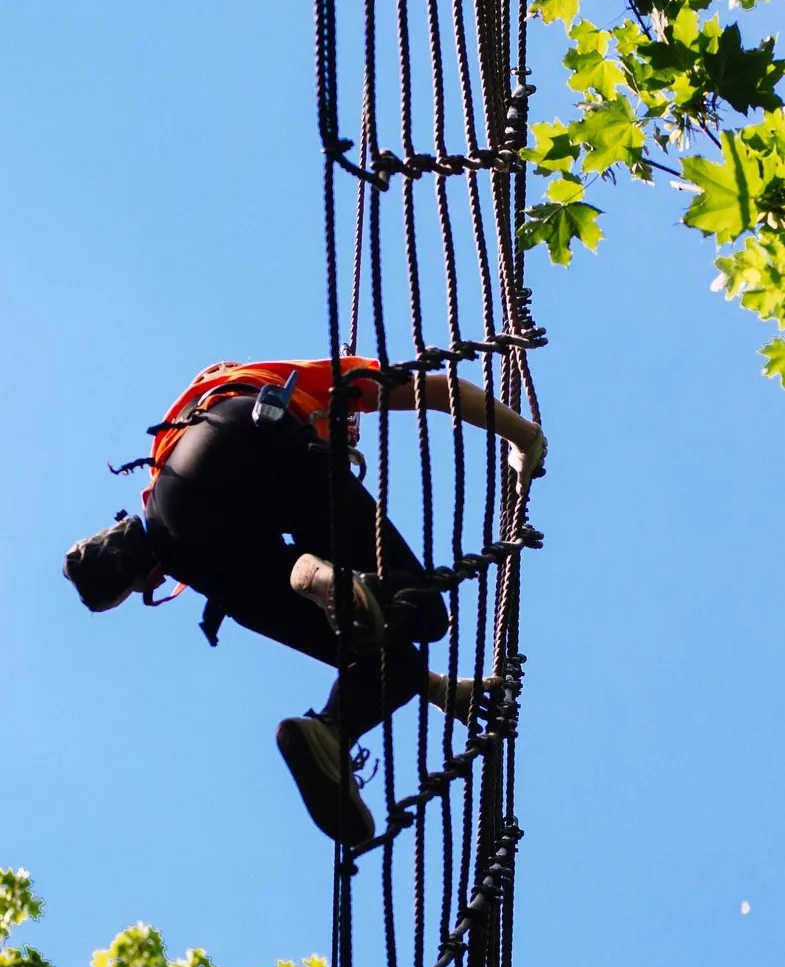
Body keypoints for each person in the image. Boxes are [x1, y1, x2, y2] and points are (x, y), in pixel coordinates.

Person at [64, 355, 545, 843]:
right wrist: (525, 438)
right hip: (250, 435)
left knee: (372, 645)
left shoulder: (172, 470)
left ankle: (331, 729)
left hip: (184, 523)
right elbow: (438, 390)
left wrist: (439, 691)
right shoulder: (295, 379)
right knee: (425, 614)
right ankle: (318, 577)